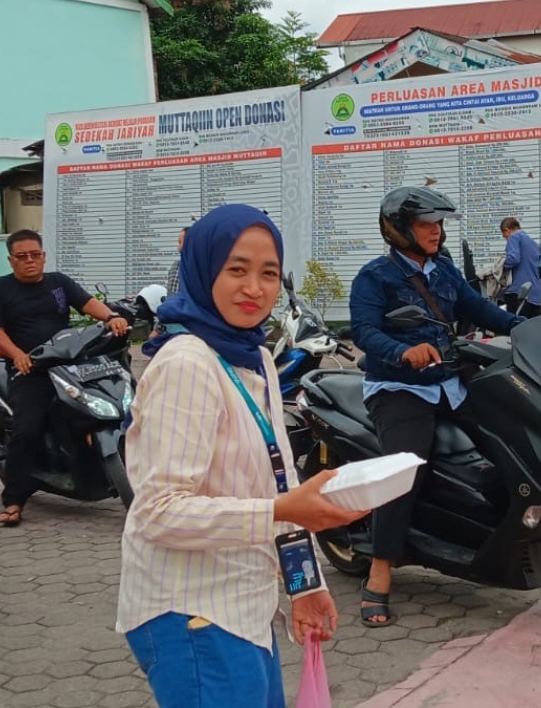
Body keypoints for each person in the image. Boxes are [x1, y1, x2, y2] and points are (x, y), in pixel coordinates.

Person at [117, 205, 365, 707]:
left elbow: (279, 478)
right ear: (204, 270)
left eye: (268, 273)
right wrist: (281, 511)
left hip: (243, 607)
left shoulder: (253, 359)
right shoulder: (188, 363)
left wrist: (303, 584)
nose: (254, 288)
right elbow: (159, 513)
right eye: (236, 270)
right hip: (190, 614)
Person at [350, 186, 522, 627]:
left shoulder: (444, 269)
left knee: (510, 438)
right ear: (399, 229)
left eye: (439, 224)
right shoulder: (374, 277)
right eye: (427, 224)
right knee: (403, 471)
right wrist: (402, 352)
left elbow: (477, 307)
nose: (436, 231)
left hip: (450, 381)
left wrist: (527, 326)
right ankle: (380, 570)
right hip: (400, 388)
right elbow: (365, 333)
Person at [0, 229, 130, 526]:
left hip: (68, 364)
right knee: (26, 430)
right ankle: (14, 500)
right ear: (11, 260)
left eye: (35, 255)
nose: (30, 261)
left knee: (103, 406)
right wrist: (17, 355)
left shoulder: (58, 283)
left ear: (43, 256)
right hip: (29, 369)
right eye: (22, 257)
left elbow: (88, 303)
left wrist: (111, 318)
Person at [500, 217, 541, 317]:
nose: (504, 237)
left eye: (503, 234)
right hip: (535, 294)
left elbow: (513, 259)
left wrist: (500, 266)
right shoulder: (533, 243)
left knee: (516, 327)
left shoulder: (514, 237)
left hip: (519, 292)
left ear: (507, 230)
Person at [165, 226, 188, 297]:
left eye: (180, 242)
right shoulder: (178, 266)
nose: (178, 247)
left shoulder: (179, 266)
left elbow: (173, 295)